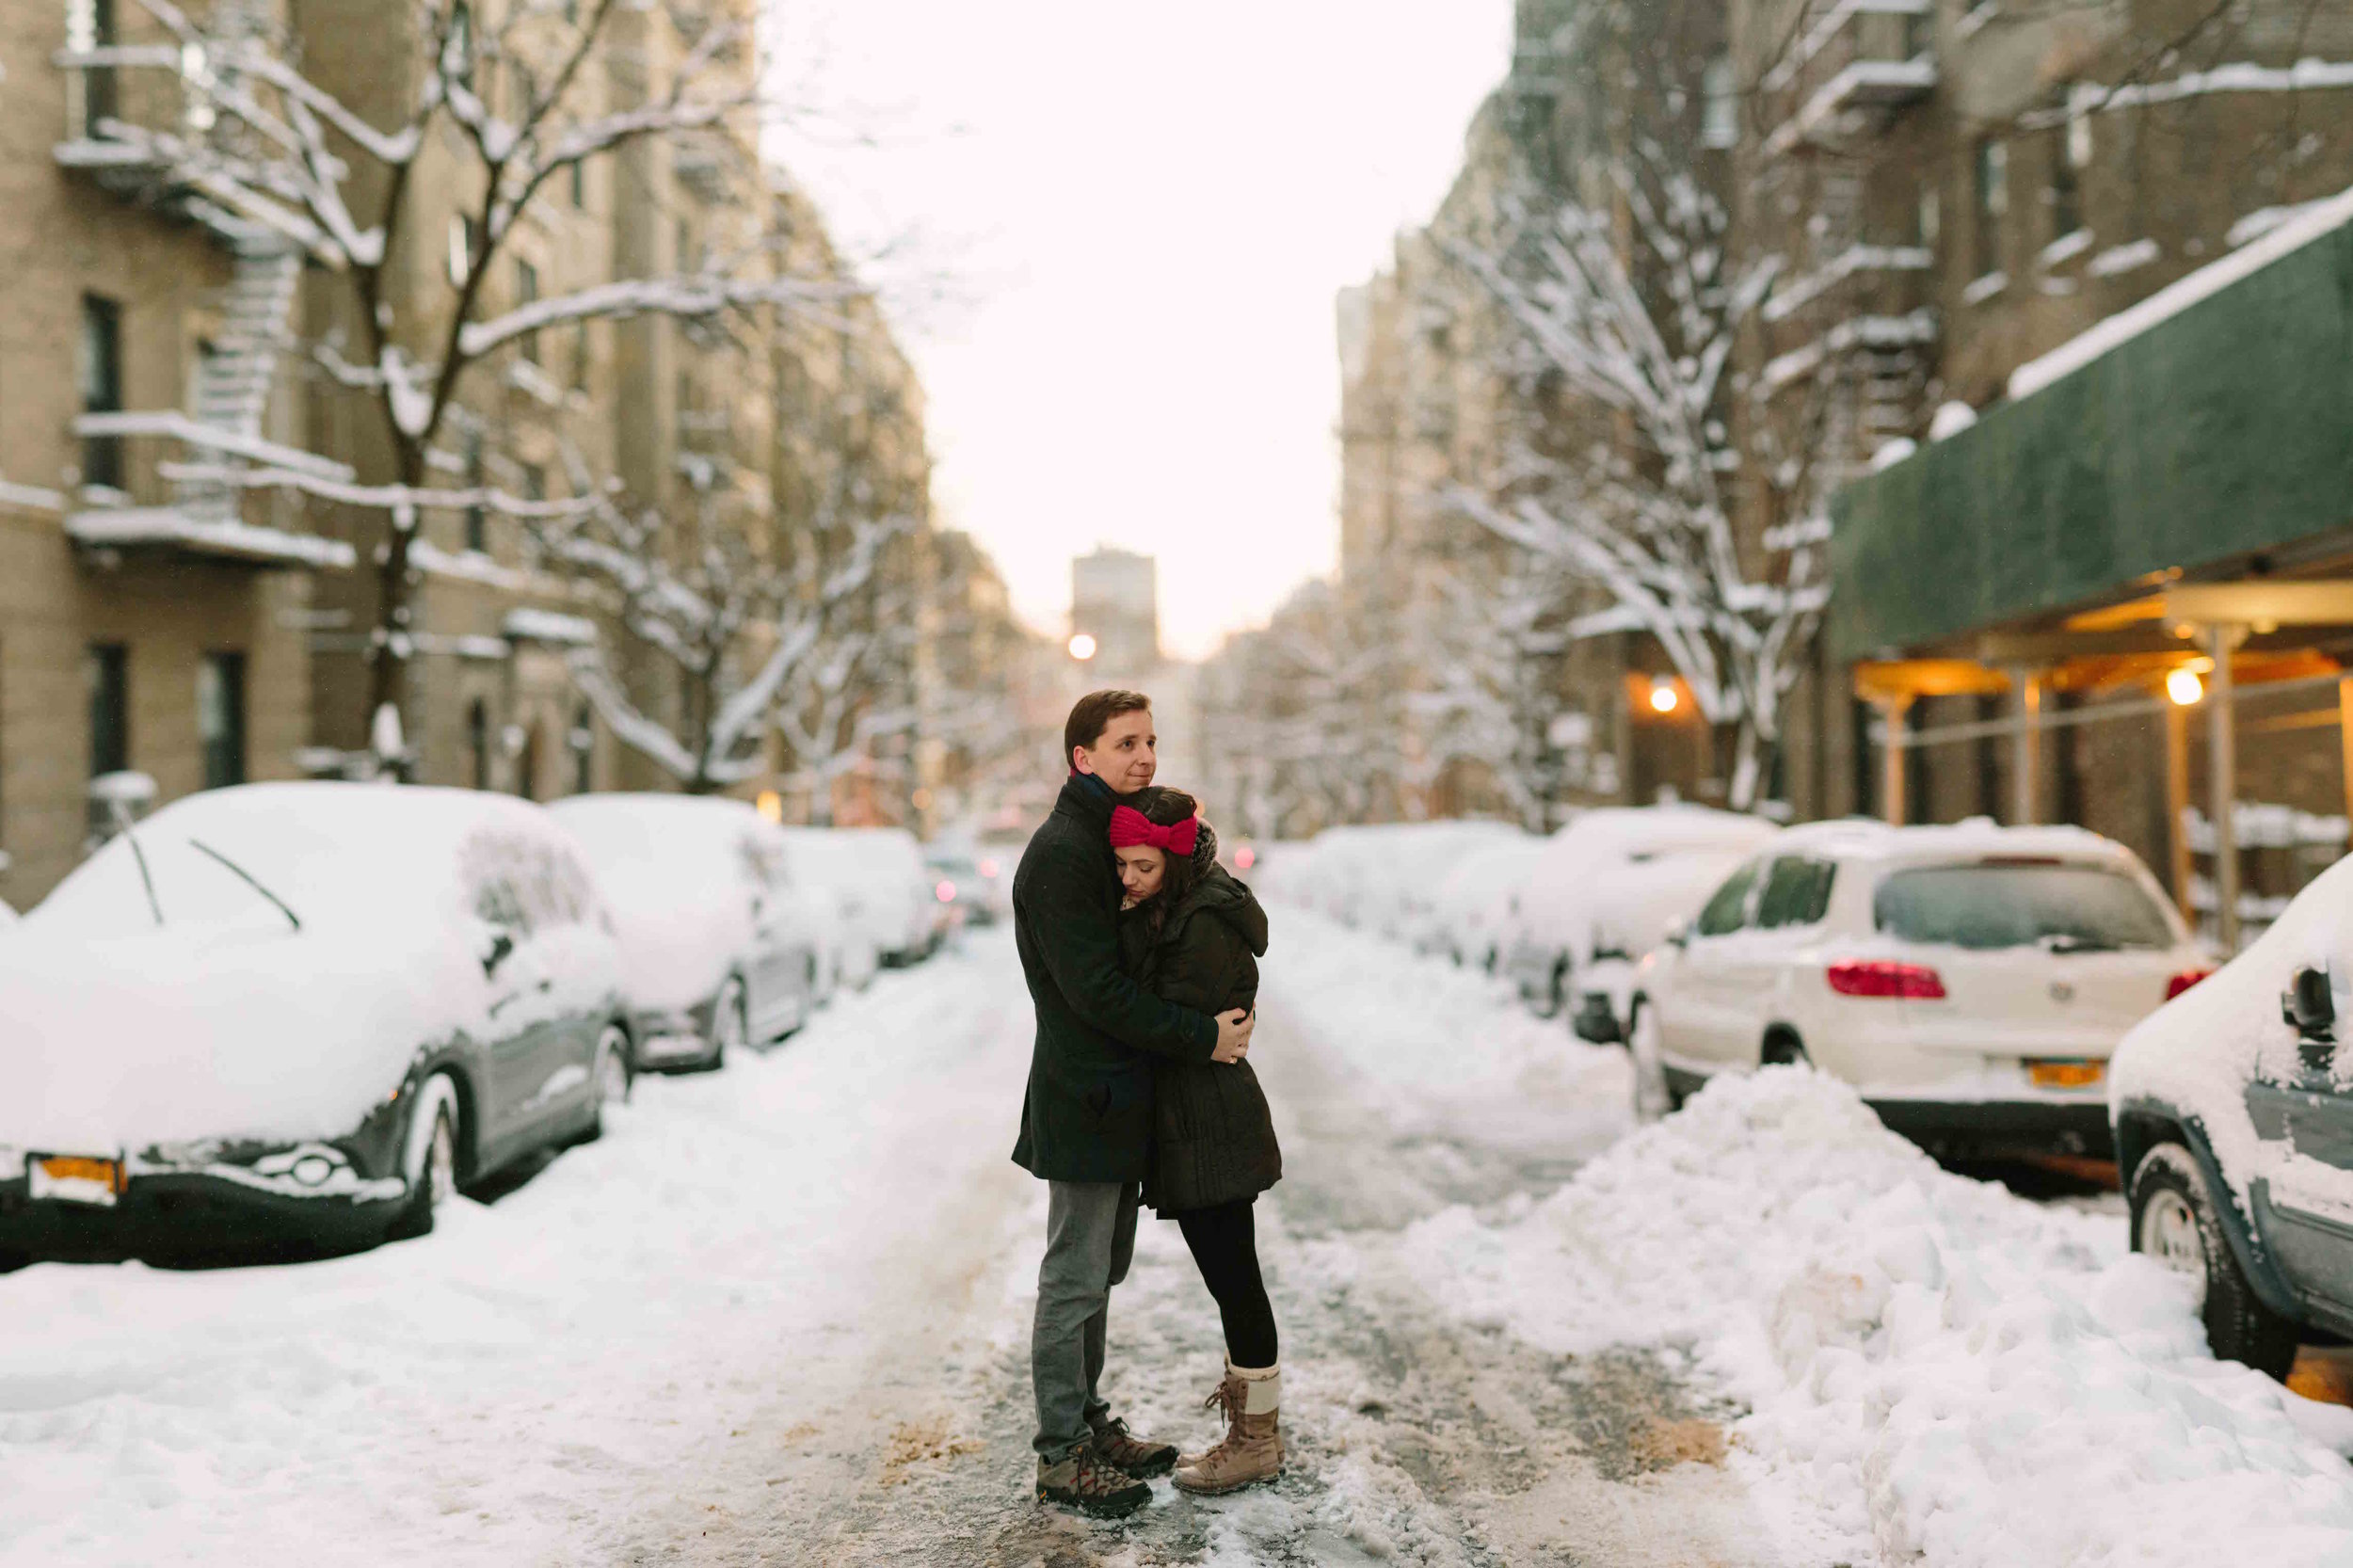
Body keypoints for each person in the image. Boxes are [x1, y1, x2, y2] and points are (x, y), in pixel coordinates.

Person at [1011, 690, 1257, 1519]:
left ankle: (1086, 1425)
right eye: (1125, 744)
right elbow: (1099, 993)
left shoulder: (1108, 837)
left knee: (1100, 1275)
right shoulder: (1063, 854)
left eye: (1150, 741)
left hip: (1117, 1097)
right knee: (1074, 1278)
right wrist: (1200, 1037)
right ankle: (1060, 1456)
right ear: (1083, 757)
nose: (1144, 757)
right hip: (1085, 1097)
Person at [1111, 789, 1285, 1496]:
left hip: (1211, 1120)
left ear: (1176, 862)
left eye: (1142, 867)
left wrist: (1124, 933)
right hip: (1198, 1116)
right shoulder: (1181, 904)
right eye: (1121, 865)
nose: (1128, 880)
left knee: (1235, 1281)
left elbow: (1162, 1015)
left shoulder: (1204, 920)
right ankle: (1253, 1433)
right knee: (1231, 1279)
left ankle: (1256, 1442)